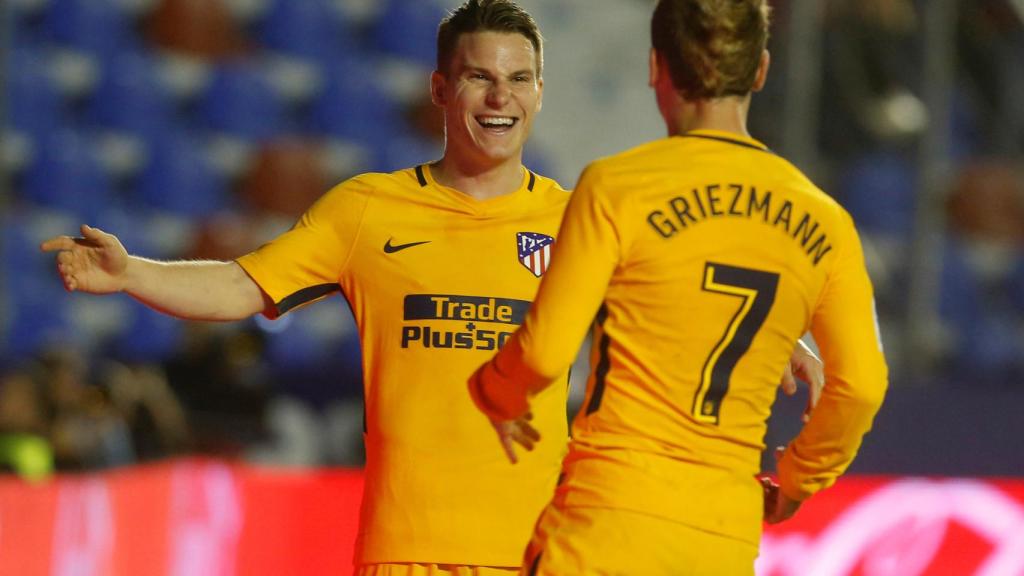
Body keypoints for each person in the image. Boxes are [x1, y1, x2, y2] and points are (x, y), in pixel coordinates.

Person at [42, 1, 822, 573]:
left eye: (519, 80)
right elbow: (244, 286)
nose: (499, 98)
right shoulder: (367, 210)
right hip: (406, 551)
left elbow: (684, 304)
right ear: (441, 90)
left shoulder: (581, 215)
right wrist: (134, 272)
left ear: (540, 95)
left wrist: (786, 335)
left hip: (545, 552)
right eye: (479, 77)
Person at [467, 0, 889, 574]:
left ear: (655, 67)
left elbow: (543, 354)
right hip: (722, 539)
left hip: (607, 524)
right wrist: (797, 480)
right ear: (760, 70)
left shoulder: (618, 188)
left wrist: (498, 394)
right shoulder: (825, 220)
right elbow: (861, 386)